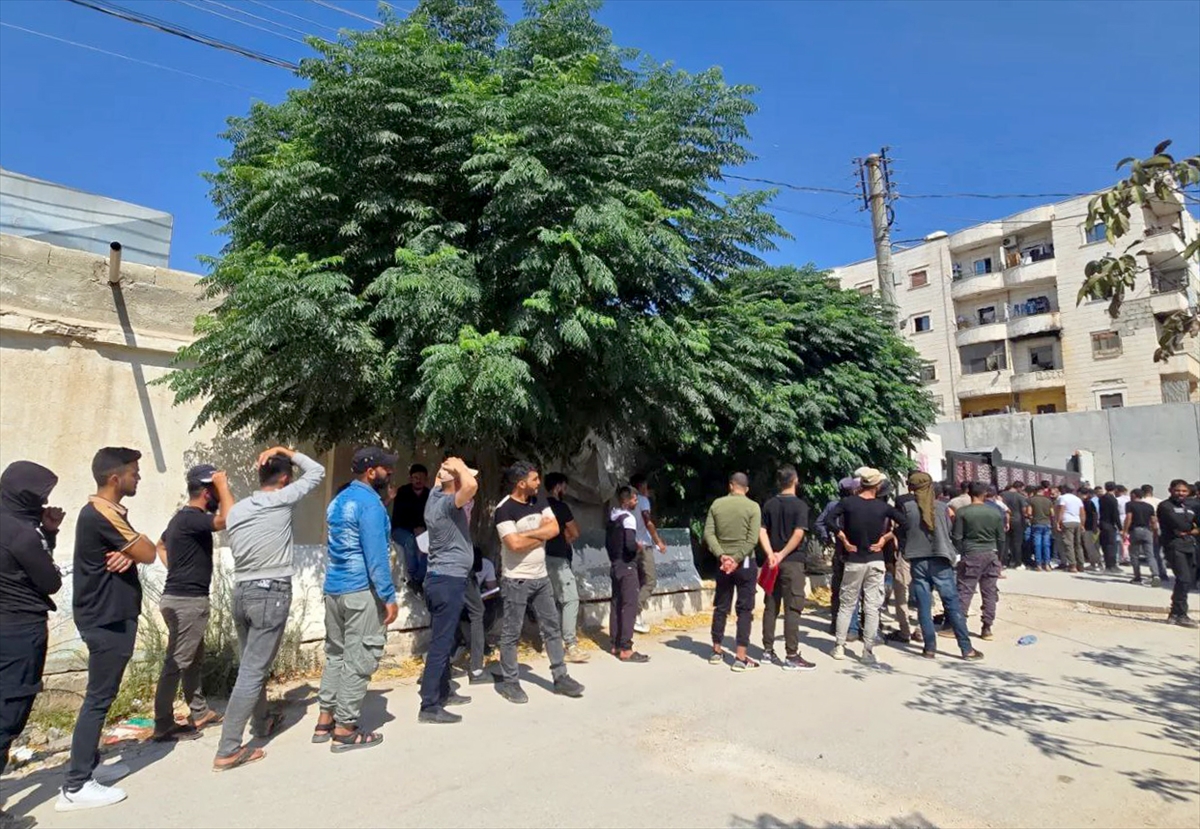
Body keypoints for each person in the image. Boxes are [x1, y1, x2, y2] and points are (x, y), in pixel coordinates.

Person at [57, 448, 157, 811]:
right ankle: (76, 784)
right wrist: (134, 551)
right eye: (134, 472)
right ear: (115, 478)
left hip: (110, 615)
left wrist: (127, 553)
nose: (138, 477)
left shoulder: (107, 514)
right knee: (98, 699)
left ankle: (91, 766)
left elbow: (139, 552)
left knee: (103, 696)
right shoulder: (101, 513)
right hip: (105, 618)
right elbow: (149, 552)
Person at [214, 446, 325, 771]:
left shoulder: (236, 511)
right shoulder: (281, 499)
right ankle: (229, 748)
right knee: (252, 671)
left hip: (242, 591)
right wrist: (286, 450)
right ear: (286, 478)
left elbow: (228, 506)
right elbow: (317, 472)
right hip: (270, 592)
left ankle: (261, 721)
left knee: (252, 665)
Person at [313, 448, 399, 750]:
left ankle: (325, 720)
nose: (390, 474)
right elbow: (376, 556)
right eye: (386, 469)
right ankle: (345, 729)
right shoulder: (370, 505)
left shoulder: (339, 500)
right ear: (371, 470)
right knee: (359, 658)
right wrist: (388, 596)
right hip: (360, 591)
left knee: (336, 654)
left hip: (334, 590)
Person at [1, 462, 64, 826]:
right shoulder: (24, 535)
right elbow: (50, 581)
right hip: (20, 631)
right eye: (41, 497)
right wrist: (48, 535)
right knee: (8, 713)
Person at [151, 464, 233, 743]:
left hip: (181, 598)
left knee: (193, 660)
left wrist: (176, 570)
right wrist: (224, 488)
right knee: (176, 662)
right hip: (187, 602)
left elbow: (160, 546)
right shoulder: (191, 518)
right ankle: (162, 724)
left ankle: (199, 712)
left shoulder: (180, 520)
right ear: (207, 491)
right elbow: (228, 519)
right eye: (215, 490)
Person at [493, 462, 585, 704]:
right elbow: (513, 545)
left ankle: (560, 677)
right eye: (534, 479)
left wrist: (526, 535)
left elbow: (554, 529)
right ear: (521, 483)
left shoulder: (539, 500)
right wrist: (538, 534)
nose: (538, 483)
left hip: (541, 576)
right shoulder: (504, 510)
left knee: (551, 627)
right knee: (511, 632)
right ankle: (510, 682)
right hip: (517, 579)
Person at [414, 457, 479, 724]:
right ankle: (429, 705)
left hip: (441, 580)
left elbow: (457, 484)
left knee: (446, 638)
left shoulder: (434, 496)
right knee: (441, 645)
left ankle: (443, 691)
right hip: (447, 581)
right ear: (454, 483)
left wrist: (451, 468)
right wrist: (459, 470)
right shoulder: (445, 506)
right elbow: (471, 486)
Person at [900, 472, 982, 660]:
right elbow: (949, 531)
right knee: (952, 605)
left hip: (917, 560)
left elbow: (903, 533)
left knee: (924, 606)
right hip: (941, 559)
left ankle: (929, 648)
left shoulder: (907, 508)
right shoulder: (942, 508)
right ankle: (966, 648)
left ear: (911, 488)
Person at [828, 468, 904, 665]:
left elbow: (829, 520)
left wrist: (843, 537)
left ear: (861, 483)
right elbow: (906, 522)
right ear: (878, 486)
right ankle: (867, 650)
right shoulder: (882, 507)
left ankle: (839, 646)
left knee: (846, 605)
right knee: (872, 606)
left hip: (854, 559)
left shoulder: (848, 503)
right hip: (876, 559)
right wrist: (885, 538)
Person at [758, 466, 817, 671]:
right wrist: (782, 554)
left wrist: (770, 554)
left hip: (772, 561)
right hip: (792, 560)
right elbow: (799, 534)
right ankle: (791, 654)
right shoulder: (800, 506)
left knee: (771, 605)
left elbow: (762, 531)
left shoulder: (769, 504)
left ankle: (767, 650)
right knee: (792, 607)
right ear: (795, 480)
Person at [704, 472, 762, 671]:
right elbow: (753, 539)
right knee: (744, 610)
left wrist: (723, 556)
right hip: (745, 562)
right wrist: (737, 558)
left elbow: (708, 534)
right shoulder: (753, 507)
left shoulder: (717, 505)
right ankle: (740, 656)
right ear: (746, 489)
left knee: (721, 606)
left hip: (723, 564)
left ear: (730, 486)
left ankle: (716, 650)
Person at [950, 482, 1004, 641]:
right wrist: (999, 558)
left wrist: (962, 551)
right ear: (985, 494)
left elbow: (957, 536)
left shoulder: (963, 512)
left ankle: (959, 627)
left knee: (965, 591)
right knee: (989, 592)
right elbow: (1001, 538)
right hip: (991, 554)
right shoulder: (995, 512)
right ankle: (987, 628)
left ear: (969, 493)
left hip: (971, 553)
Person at [543, 472, 588, 663]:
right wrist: (565, 540)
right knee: (570, 599)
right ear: (558, 487)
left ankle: (547, 643)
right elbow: (575, 532)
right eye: (564, 486)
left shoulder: (538, 507)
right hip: (558, 559)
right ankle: (570, 644)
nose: (565, 490)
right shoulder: (560, 507)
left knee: (547, 601)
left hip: (540, 559)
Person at [607, 486, 648, 663]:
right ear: (626, 500)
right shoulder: (628, 518)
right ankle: (626, 647)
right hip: (627, 565)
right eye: (634, 499)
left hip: (615, 564)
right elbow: (630, 544)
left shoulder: (612, 517)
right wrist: (638, 547)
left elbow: (607, 543)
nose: (636, 501)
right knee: (629, 605)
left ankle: (615, 643)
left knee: (616, 604)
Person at [818, 476, 861, 637]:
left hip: (840, 552)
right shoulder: (859, 506)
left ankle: (838, 624)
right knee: (855, 590)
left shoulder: (833, 505)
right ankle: (855, 626)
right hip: (856, 553)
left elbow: (819, 523)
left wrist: (827, 537)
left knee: (839, 589)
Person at [1157, 480, 1199, 627]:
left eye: (1184, 491)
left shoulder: (1189, 506)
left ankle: (1175, 613)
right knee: (1183, 578)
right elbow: (1180, 524)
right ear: (1170, 490)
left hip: (1189, 545)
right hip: (1174, 546)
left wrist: (1189, 530)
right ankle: (1180, 614)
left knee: (1188, 581)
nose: (1181, 493)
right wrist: (1190, 528)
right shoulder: (1165, 506)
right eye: (1177, 490)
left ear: (1188, 492)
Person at [630, 473, 666, 634]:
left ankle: (634, 614)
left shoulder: (626, 503)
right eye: (645, 487)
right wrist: (657, 540)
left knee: (637, 582)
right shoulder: (643, 501)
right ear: (641, 487)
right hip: (644, 544)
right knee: (650, 581)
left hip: (631, 544)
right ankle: (634, 611)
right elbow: (647, 521)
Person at [392, 463, 431, 593]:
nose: (418, 480)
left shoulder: (429, 495)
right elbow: (399, 516)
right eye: (415, 477)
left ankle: (417, 579)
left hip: (422, 530)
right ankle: (413, 573)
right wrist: (414, 528)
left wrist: (423, 529)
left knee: (428, 546)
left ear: (426, 479)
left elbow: (431, 517)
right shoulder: (403, 492)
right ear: (410, 479)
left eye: (421, 477)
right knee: (410, 541)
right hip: (401, 530)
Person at [1123, 488, 1160, 587]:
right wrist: (1155, 532)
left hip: (1135, 530)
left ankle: (1137, 577)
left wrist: (1125, 531)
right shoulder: (1149, 506)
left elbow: (1129, 517)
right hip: (1147, 531)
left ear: (1134, 495)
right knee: (1150, 555)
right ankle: (1155, 575)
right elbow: (1153, 520)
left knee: (1134, 555)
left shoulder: (1130, 505)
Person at [1055, 484, 1086, 574]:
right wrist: (1082, 524)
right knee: (1078, 544)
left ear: (1064, 489)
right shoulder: (1078, 499)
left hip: (1067, 521)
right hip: (1077, 521)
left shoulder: (1063, 498)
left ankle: (1072, 565)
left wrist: (1058, 522)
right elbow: (1082, 512)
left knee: (1069, 544)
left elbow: (1062, 510)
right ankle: (1081, 564)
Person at [1140, 484, 1168, 583]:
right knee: (1160, 552)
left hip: (1150, 528)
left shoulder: (1143, 502)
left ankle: (1157, 573)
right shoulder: (1160, 501)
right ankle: (1163, 572)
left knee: (1152, 553)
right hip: (1161, 527)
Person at [1000, 482, 1029, 569]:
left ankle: (1004, 562)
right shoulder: (1020, 496)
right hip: (1017, 520)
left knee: (1005, 542)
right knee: (1017, 543)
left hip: (1004, 520)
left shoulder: (1002, 494)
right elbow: (1024, 510)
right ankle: (1017, 562)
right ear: (1019, 488)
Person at [1028, 483, 1055, 571]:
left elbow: (1029, 513)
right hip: (1047, 523)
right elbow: (1052, 513)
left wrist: (1032, 517)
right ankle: (1047, 564)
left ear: (1035, 491)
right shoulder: (1048, 500)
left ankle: (1038, 565)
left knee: (1037, 544)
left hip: (1036, 523)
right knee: (1046, 544)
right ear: (1042, 491)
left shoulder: (1031, 500)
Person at [1098, 482, 1123, 573]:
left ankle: (1109, 564)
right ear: (1115, 489)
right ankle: (1111, 565)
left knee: (1106, 545)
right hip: (1109, 524)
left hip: (1103, 523)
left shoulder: (1102, 498)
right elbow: (1115, 514)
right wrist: (1120, 527)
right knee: (1111, 545)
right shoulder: (1113, 499)